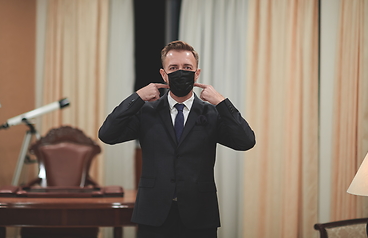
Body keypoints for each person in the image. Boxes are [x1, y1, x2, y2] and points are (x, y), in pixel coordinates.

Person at [98, 40, 255, 238]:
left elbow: (246, 140)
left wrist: (221, 102)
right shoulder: (146, 112)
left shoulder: (213, 113)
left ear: (197, 73)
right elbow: (107, 134)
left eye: (187, 68)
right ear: (164, 74)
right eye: (173, 68)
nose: (181, 72)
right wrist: (137, 97)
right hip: (153, 214)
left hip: (200, 216)